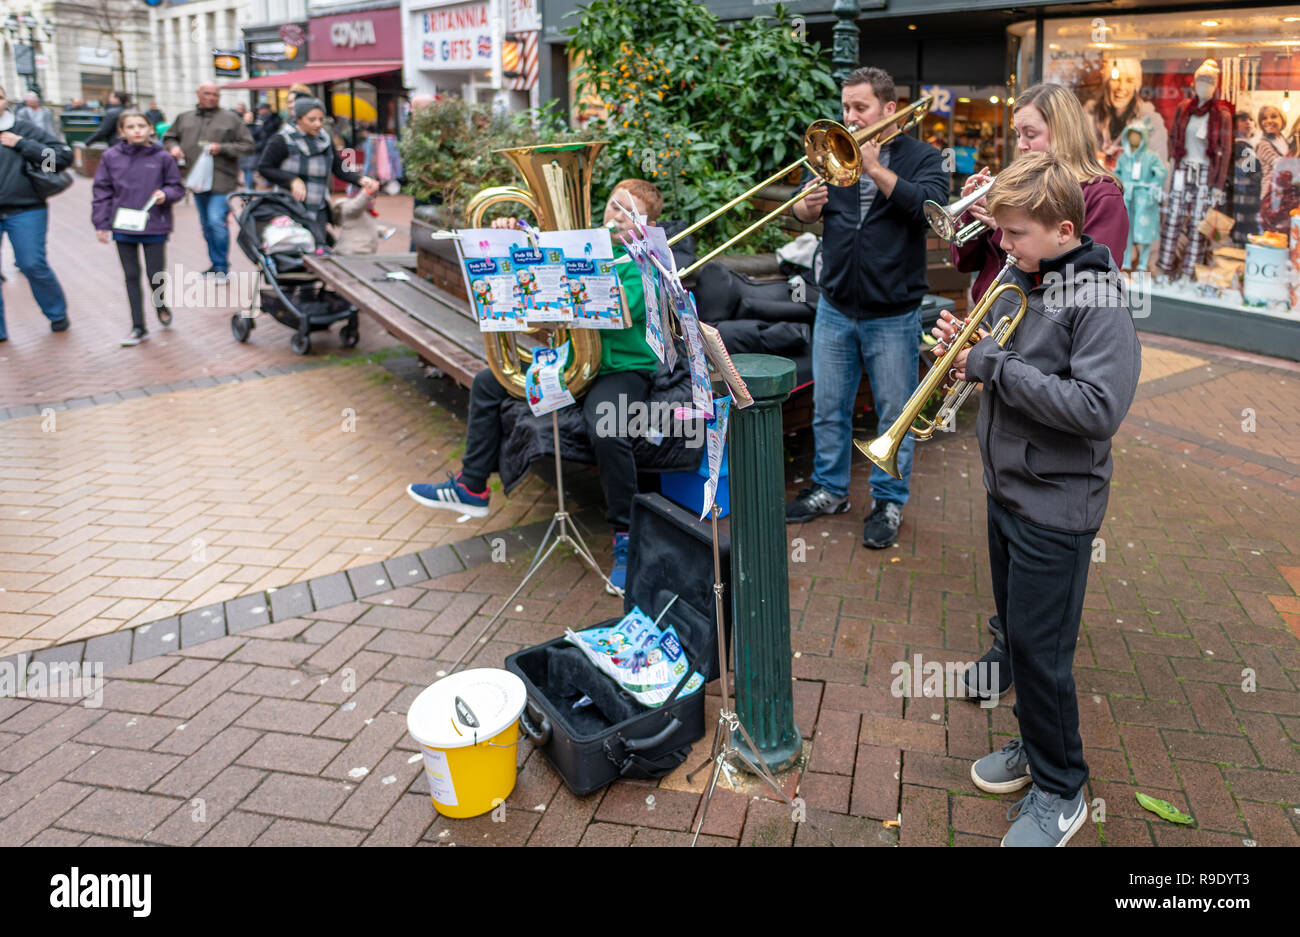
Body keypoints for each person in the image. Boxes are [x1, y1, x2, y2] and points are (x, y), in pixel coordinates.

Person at [933, 153, 1140, 846]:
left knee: (1043, 654)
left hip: (1056, 507)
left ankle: (1063, 787)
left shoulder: (1100, 298)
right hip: (1010, 492)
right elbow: (1011, 365)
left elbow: (1097, 407)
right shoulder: (1031, 274)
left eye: (1015, 235)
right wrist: (963, 351)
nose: (1005, 248)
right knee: (1019, 642)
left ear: (1061, 227)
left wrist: (992, 364)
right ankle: (1035, 745)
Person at [950, 82, 1129, 699]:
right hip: (1008, 407)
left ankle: (1043, 729)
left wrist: (994, 359)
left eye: (1030, 133)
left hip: (1048, 448)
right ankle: (1012, 651)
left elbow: (1073, 286)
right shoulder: (1017, 221)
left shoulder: (1097, 199)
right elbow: (968, 258)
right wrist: (987, 218)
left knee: (1042, 615)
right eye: (1017, 132)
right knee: (1014, 575)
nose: (1019, 143)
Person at [406, 179, 668, 592]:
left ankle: (626, 537)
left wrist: (573, 283)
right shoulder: (584, 245)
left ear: (648, 226)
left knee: (607, 425)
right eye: (614, 207)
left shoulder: (643, 263)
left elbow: (617, 308)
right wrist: (514, 237)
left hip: (622, 369)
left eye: (629, 214)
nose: (616, 217)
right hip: (573, 361)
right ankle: (472, 487)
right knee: (488, 383)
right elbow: (539, 277)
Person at [783, 66, 949, 551]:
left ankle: (889, 500)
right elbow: (796, 208)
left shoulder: (925, 157)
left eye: (860, 108)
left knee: (895, 417)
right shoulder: (831, 153)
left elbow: (931, 211)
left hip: (893, 313)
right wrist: (804, 209)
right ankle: (830, 491)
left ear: (889, 110)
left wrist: (875, 168)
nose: (849, 118)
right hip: (835, 305)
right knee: (827, 408)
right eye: (845, 108)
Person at [92, 110, 186, 346]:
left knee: (155, 275)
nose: (136, 131)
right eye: (131, 127)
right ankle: (138, 326)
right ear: (121, 131)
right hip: (123, 225)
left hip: (154, 224)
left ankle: (160, 303)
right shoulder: (111, 157)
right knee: (131, 276)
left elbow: (177, 187)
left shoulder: (163, 157)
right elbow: (102, 190)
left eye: (141, 126)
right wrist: (101, 223)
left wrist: (166, 194)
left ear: (150, 129)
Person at [0, 84, 73, 341]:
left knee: (32, 263)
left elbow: (60, 160)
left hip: (25, 208)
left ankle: (57, 313)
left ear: (5, 99)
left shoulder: (22, 129)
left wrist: (22, 144)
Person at [164, 82, 255, 284]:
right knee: (206, 225)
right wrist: (174, 148)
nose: (211, 97)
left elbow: (248, 146)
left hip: (222, 181)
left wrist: (222, 148)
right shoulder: (185, 118)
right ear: (198, 94)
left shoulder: (231, 119)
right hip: (196, 180)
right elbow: (169, 138)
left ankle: (222, 267)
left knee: (216, 222)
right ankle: (215, 263)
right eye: (207, 93)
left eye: (215, 94)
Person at [257, 96, 379, 244]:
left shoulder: (325, 140)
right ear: (299, 119)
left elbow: (339, 167)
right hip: (289, 206)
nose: (318, 124)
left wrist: (360, 179)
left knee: (318, 248)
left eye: (321, 119)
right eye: (312, 119)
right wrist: (291, 180)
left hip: (318, 206)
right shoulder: (281, 140)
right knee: (294, 248)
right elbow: (264, 167)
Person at [1084, 57, 1168, 170]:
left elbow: (1158, 169)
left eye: (1129, 81)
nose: (1121, 87)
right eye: (1115, 79)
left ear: (1136, 86)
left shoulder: (1150, 121)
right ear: (1106, 83)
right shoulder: (1090, 115)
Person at [1255, 105, 1292, 235]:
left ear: (1282, 120)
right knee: (1272, 234)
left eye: (1273, 116)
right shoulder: (1263, 145)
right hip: (1271, 196)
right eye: (1264, 118)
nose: (1269, 121)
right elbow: (1281, 165)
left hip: (1285, 195)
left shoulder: (1285, 141)